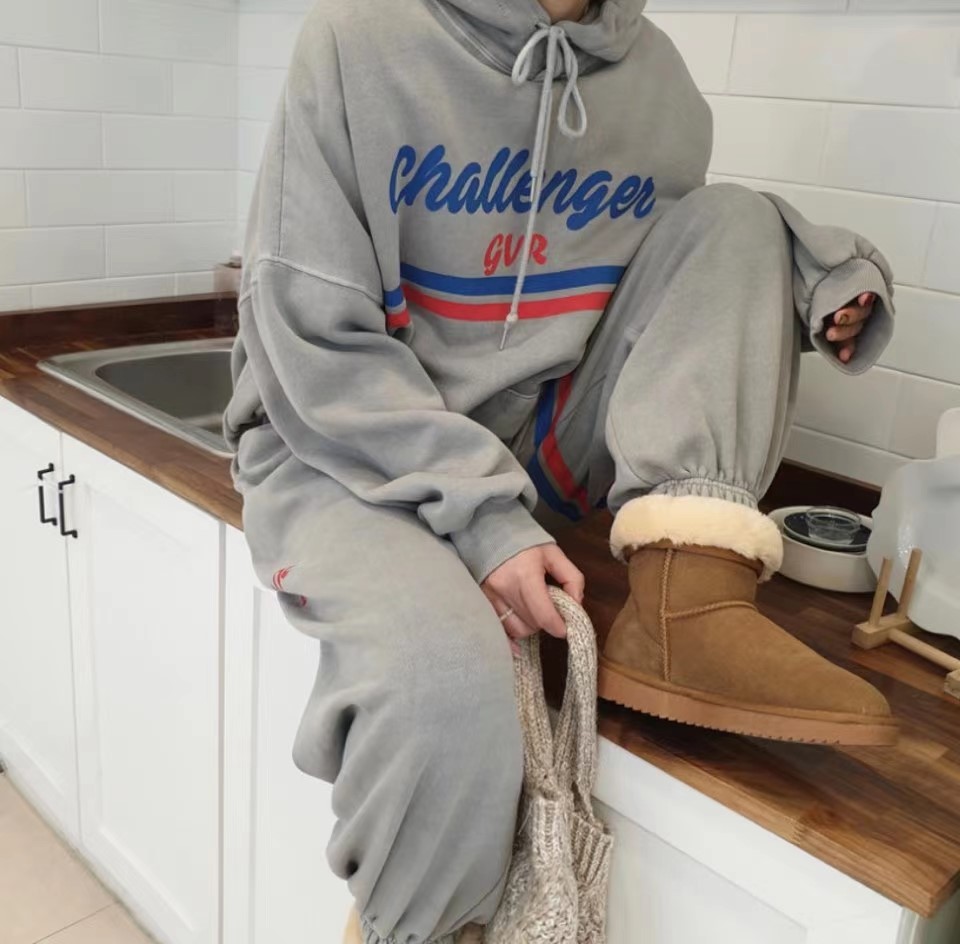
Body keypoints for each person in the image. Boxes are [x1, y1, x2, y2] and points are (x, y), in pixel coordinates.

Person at [223, 1, 899, 941]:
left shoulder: (660, 85)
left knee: (739, 218)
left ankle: (689, 600)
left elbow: (676, 284)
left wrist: (805, 270)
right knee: (441, 685)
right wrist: (487, 518)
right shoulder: (358, 42)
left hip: (537, 451)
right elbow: (315, 344)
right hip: (342, 446)